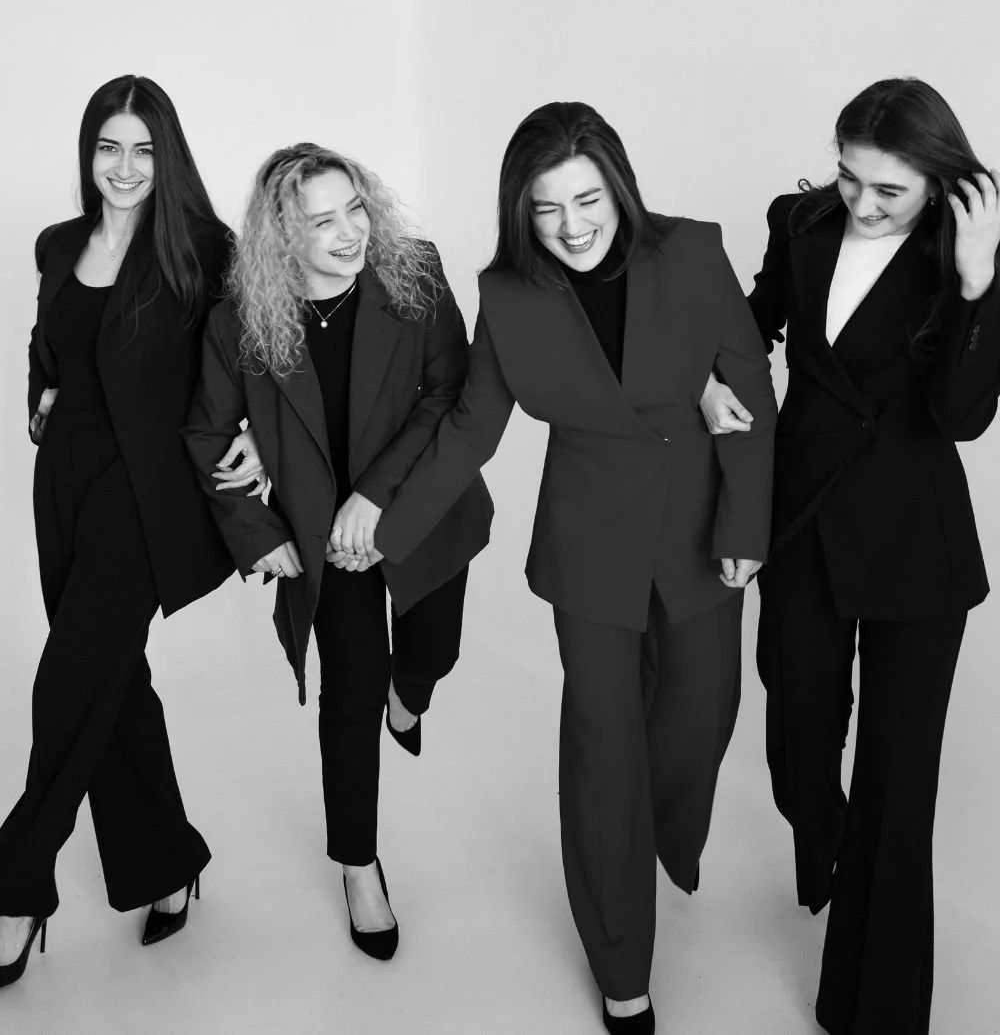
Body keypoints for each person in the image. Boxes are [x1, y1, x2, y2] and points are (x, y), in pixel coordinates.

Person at [329, 101, 777, 1031]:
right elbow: (470, 431)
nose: (571, 227)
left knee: (703, 714)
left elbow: (749, 389)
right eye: (546, 209)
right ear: (520, 212)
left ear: (620, 189)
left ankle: (654, 840)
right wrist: (385, 530)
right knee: (604, 750)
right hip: (590, 546)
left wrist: (745, 524)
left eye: (587, 201)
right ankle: (622, 964)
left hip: (699, 528)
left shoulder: (693, 251)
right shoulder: (510, 295)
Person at [701, 77, 1000, 1035]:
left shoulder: (970, 249)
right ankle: (825, 847)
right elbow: (751, 327)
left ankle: (875, 1005)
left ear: (939, 182)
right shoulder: (799, 222)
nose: (864, 204)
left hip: (916, 541)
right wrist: (708, 382)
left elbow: (963, 417)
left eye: (889, 191)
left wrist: (977, 282)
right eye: (850, 178)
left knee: (897, 788)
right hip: (805, 523)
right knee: (797, 742)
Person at [183, 143, 492, 960]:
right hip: (325, 540)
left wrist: (376, 497)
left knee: (433, 650)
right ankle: (358, 864)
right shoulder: (242, 318)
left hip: (419, 508)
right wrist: (263, 536)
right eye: (322, 221)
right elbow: (207, 433)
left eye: (355, 208)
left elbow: (448, 393)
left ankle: (410, 692)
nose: (351, 232)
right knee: (349, 693)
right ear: (281, 235)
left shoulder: (412, 272)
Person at [0, 74, 261, 990]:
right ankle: (168, 862)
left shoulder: (205, 249)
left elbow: (258, 356)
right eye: (109, 147)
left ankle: (16, 886)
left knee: (69, 679)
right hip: (65, 483)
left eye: (144, 150)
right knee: (113, 679)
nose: (124, 166)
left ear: (167, 156)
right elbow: (53, 344)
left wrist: (258, 436)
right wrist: (41, 392)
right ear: (89, 153)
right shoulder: (58, 243)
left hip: (147, 493)